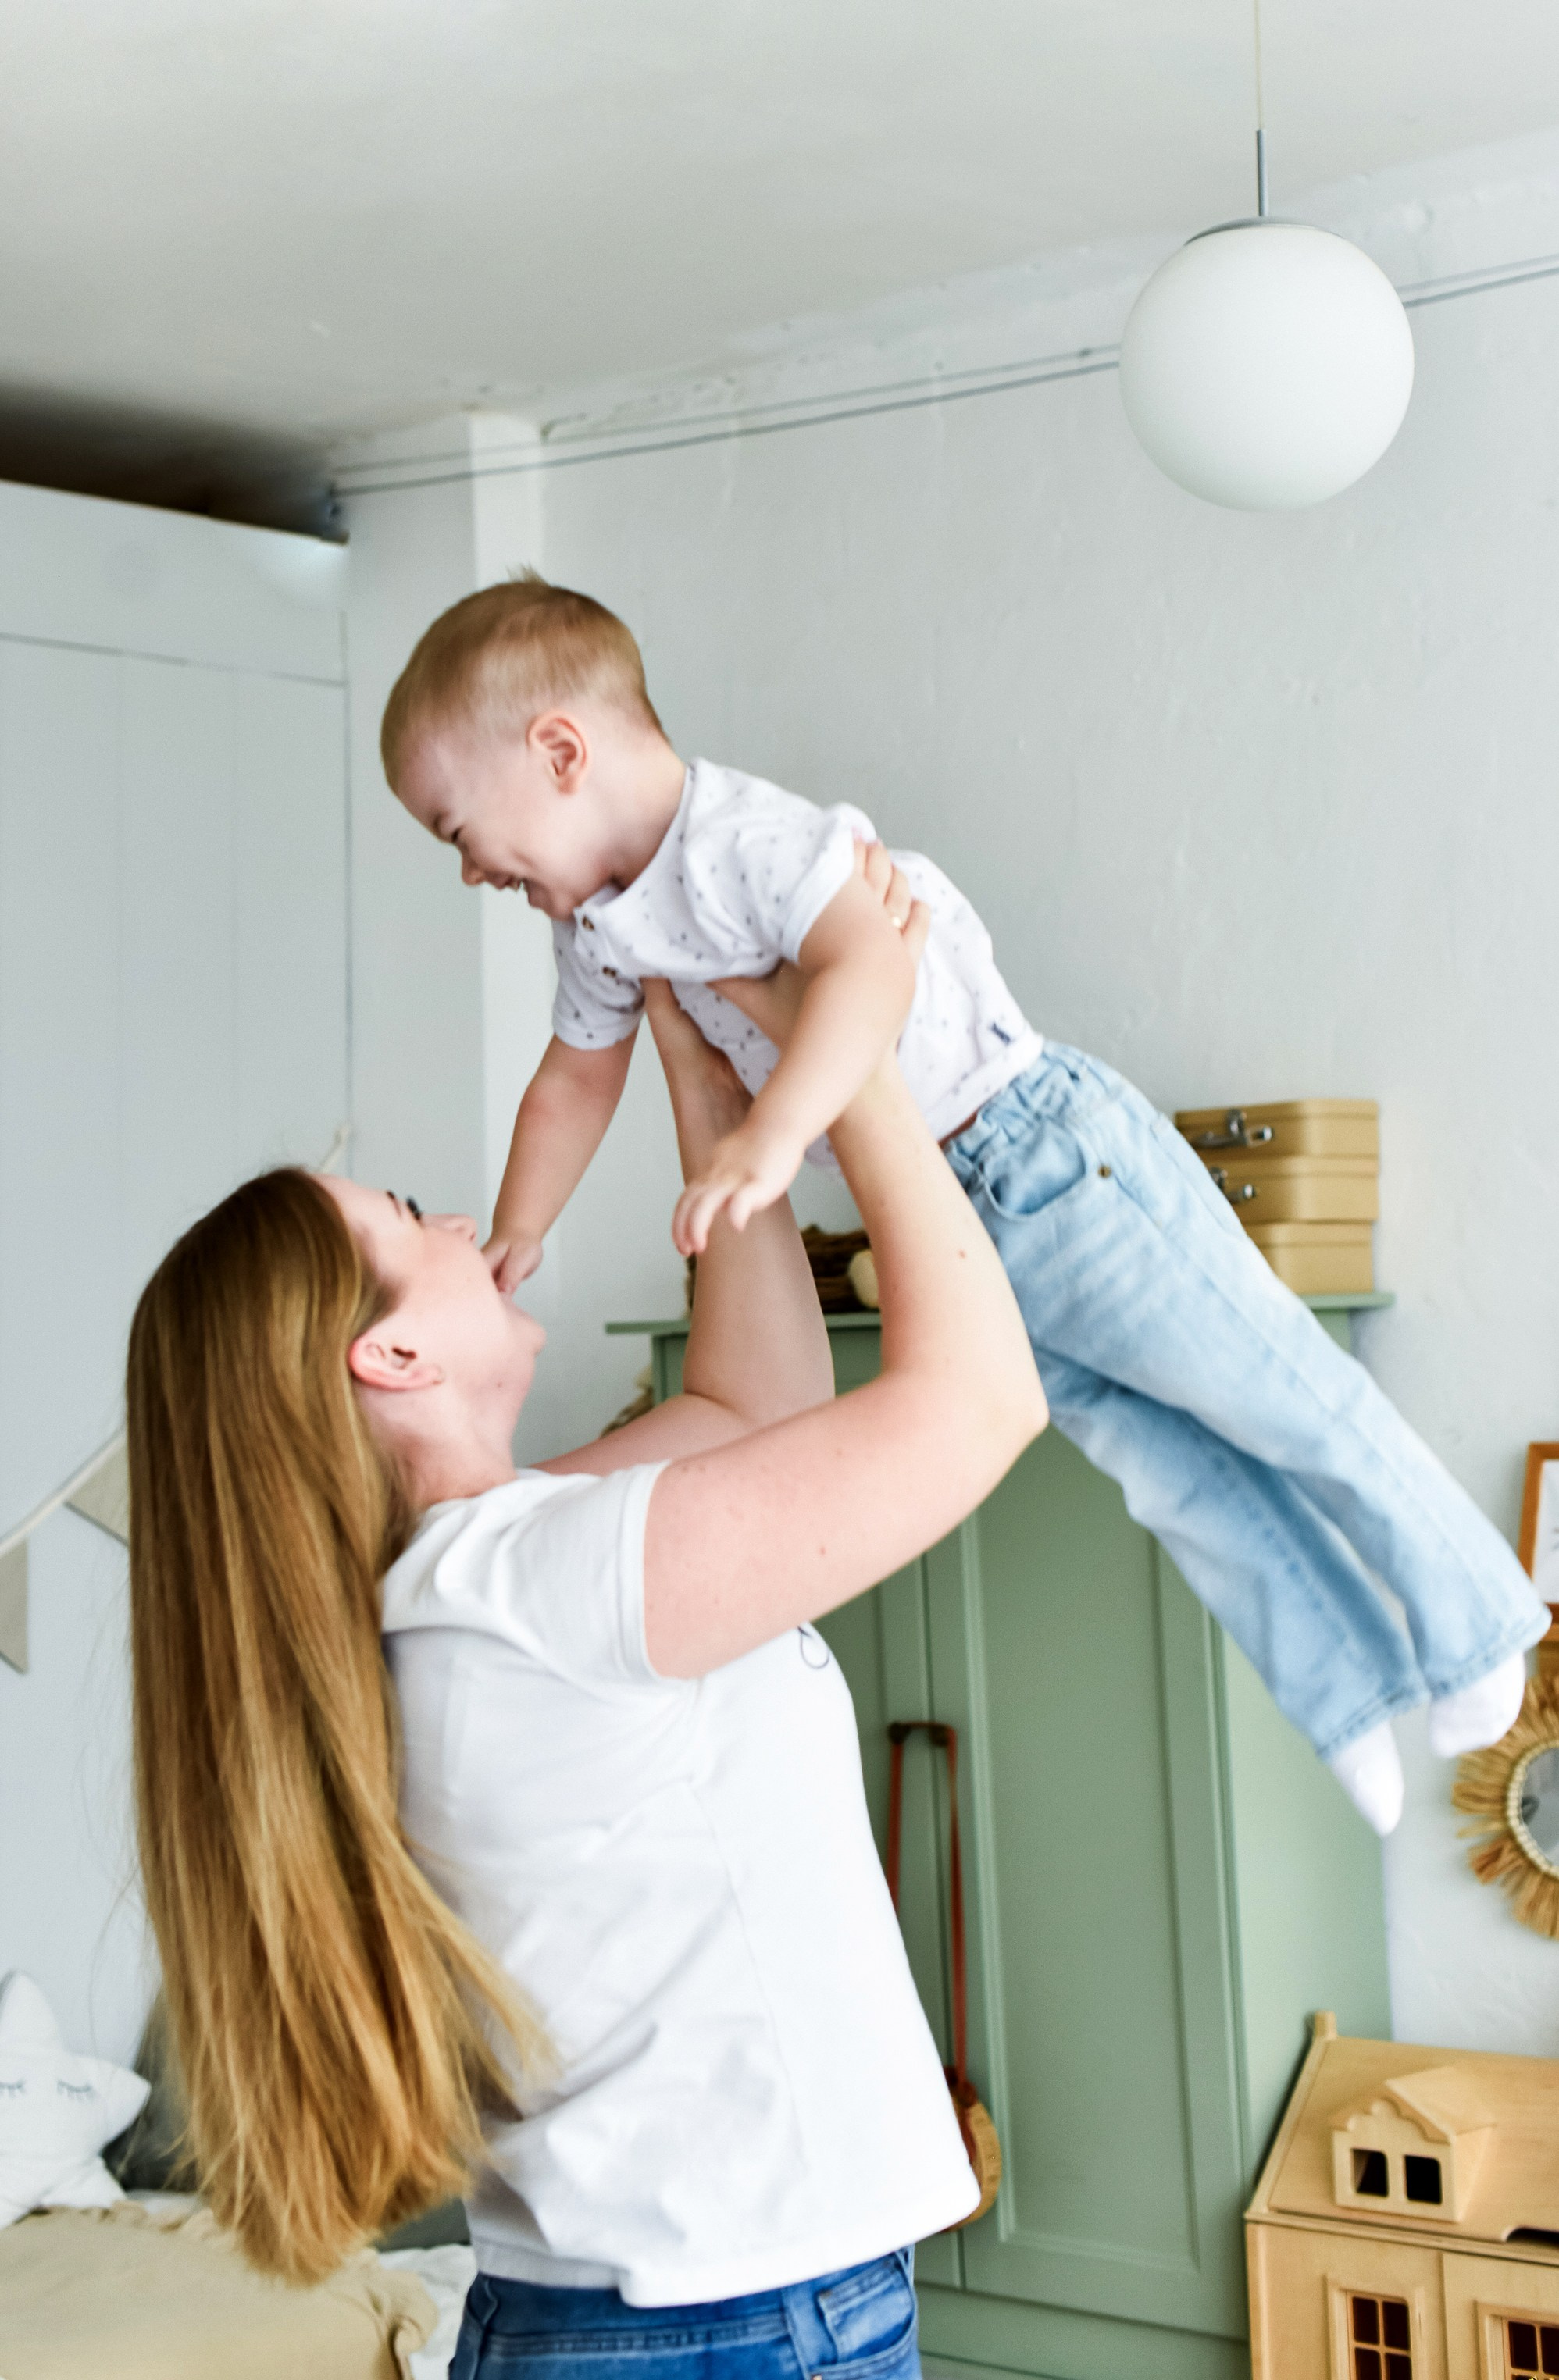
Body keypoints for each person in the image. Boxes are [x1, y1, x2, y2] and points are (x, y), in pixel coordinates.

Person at [376, 575, 1547, 1838]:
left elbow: (871, 964)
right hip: (959, 1229)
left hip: (1043, 1152)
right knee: (1169, 1473)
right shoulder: (602, 931)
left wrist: (771, 1133)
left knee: (1277, 1399)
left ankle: (1480, 1618)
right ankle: (1345, 1693)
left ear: (560, 752)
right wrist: (521, 1222)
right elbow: (572, 1077)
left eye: (459, 832)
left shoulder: (743, 845)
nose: (466, 871)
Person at [124, 844, 1048, 2378]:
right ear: (392, 1360)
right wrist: (849, 1067)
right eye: (409, 1217)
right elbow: (976, 1404)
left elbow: (752, 1400)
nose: (453, 1221)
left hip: (636, 2315)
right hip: (734, 2330)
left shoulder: (463, 1586)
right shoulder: (535, 1588)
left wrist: (708, 1082)